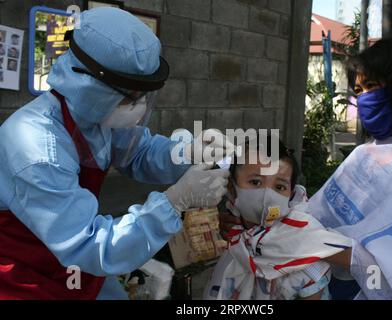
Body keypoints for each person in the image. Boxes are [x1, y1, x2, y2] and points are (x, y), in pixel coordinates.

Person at [0, 7, 230, 300]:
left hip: (77, 270)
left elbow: (138, 152)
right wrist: (173, 203)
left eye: (144, 96)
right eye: (130, 98)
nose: (140, 107)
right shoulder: (36, 149)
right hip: (27, 278)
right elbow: (88, 245)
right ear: (90, 87)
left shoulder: (95, 116)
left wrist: (185, 153)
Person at [220, 38, 392, 300]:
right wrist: (248, 218)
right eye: (359, 91)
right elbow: (318, 215)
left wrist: (317, 245)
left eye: (371, 86)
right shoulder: (368, 153)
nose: (364, 99)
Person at [205, 135, 351, 300]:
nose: (267, 195)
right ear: (232, 188)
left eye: (279, 186)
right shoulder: (236, 233)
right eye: (255, 182)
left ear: (290, 194)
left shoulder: (305, 244)